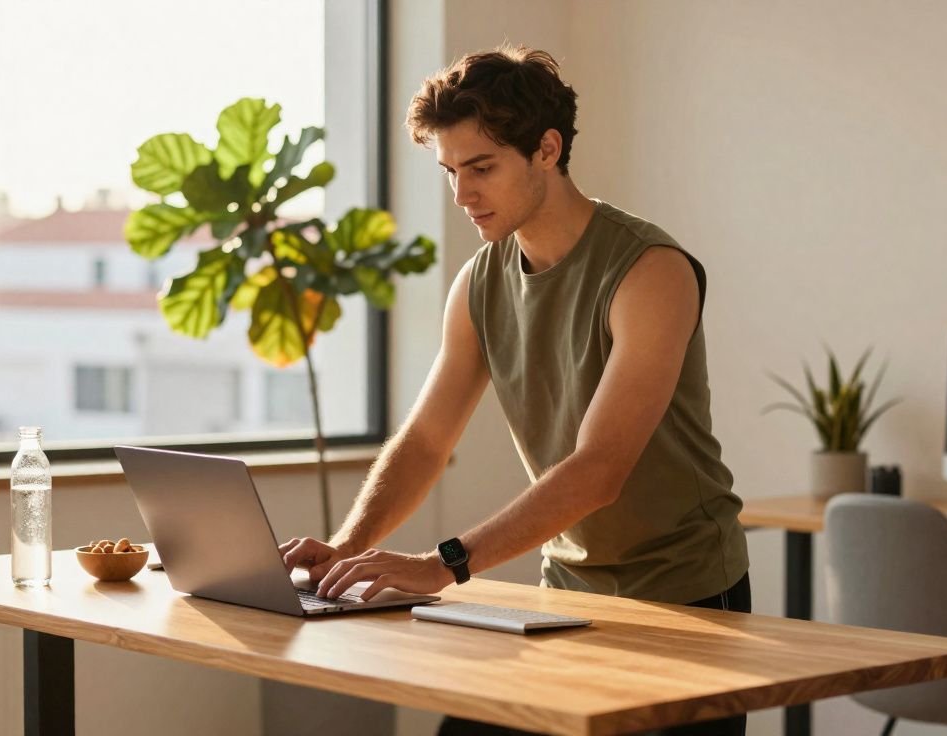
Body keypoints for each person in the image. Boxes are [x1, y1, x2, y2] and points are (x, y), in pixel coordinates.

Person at [277, 44, 750, 736]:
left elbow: (600, 470)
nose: (463, 194)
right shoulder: (479, 282)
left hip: (688, 595)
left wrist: (443, 565)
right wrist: (348, 545)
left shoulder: (651, 272)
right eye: (449, 172)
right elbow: (427, 439)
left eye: (482, 168)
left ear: (547, 150)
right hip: (568, 595)